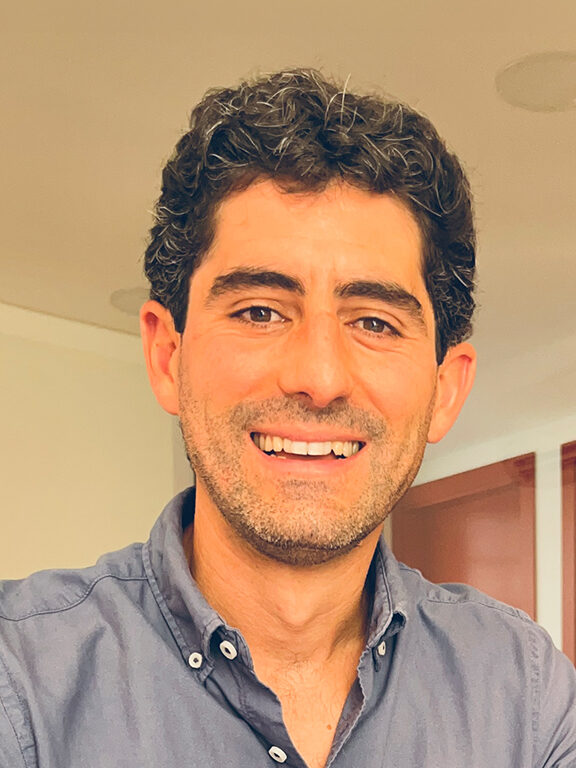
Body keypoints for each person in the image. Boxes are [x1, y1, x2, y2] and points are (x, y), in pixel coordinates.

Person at [0, 69, 574, 768]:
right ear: (167, 356)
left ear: (445, 391)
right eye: (259, 312)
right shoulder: (20, 682)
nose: (319, 378)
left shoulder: (528, 696)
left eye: (375, 322)